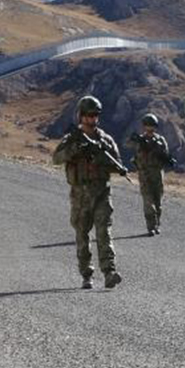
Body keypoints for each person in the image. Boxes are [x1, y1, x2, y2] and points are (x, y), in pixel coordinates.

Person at [52, 96, 127, 290]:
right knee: (82, 235)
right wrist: (75, 150)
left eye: (94, 116)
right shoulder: (72, 139)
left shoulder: (105, 140)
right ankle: (87, 274)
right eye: (87, 115)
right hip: (80, 195)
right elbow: (56, 158)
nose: (91, 119)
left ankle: (109, 272)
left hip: (102, 192)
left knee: (104, 233)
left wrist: (103, 159)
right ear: (80, 116)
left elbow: (116, 163)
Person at [125, 113, 174, 235]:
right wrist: (134, 139)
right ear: (144, 127)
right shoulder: (139, 140)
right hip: (144, 173)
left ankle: (157, 224)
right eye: (147, 126)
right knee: (148, 200)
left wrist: (167, 159)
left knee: (158, 201)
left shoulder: (160, 140)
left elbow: (166, 154)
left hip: (157, 173)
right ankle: (150, 226)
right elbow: (127, 144)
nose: (149, 129)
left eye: (152, 126)